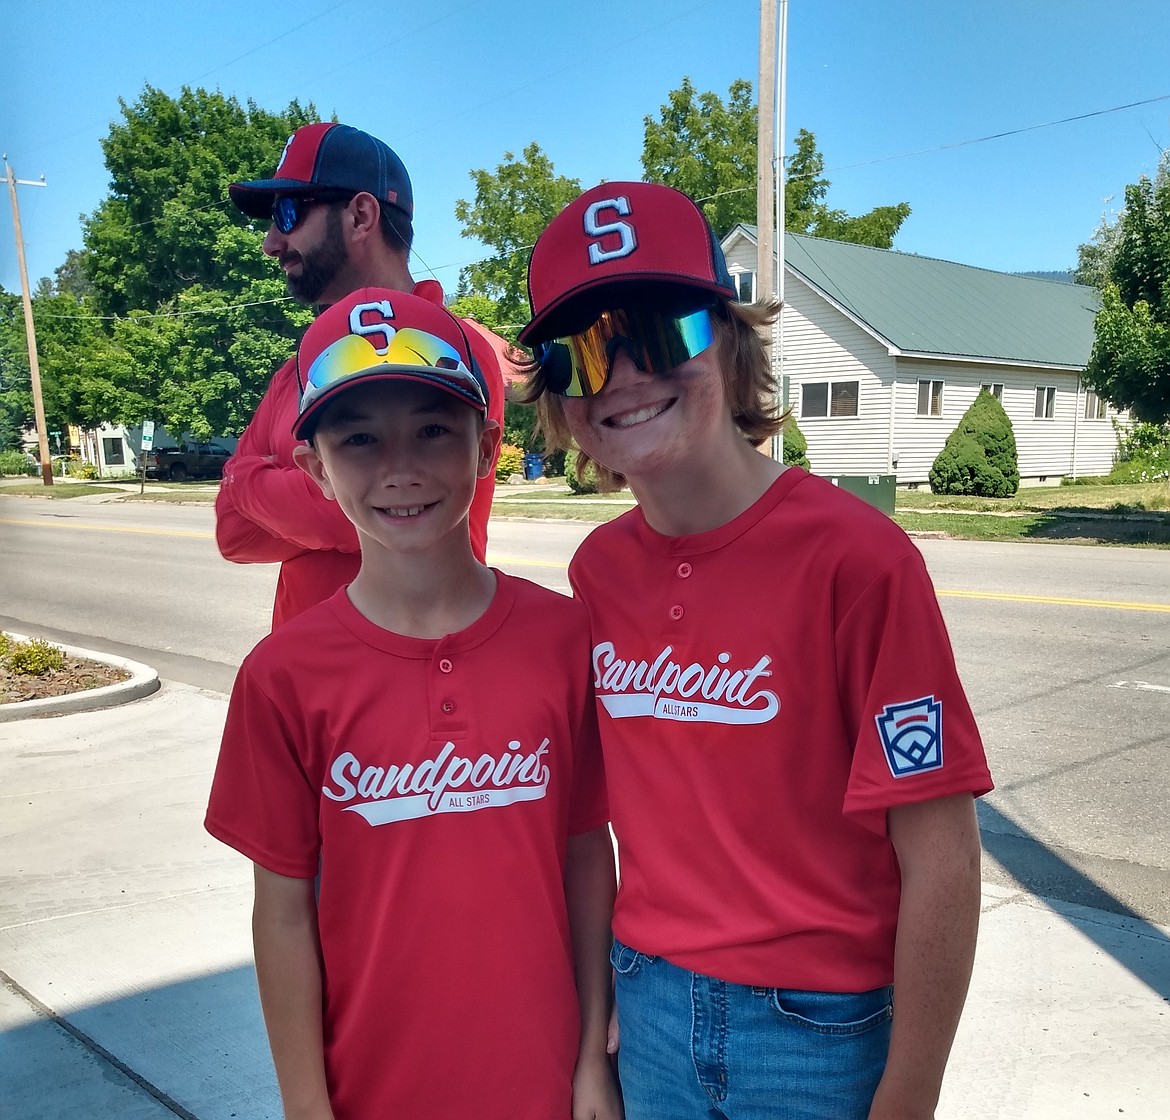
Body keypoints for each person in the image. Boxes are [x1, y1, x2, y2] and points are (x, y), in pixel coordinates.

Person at [518, 181, 994, 1120]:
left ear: (730, 343)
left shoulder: (857, 559)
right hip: (648, 1008)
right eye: (580, 354)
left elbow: (940, 854)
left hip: (818, 1028)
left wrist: (911, 1094)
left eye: (660, 335)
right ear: (558, 399)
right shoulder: (598, 572)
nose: (620, 376)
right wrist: (599, 1019)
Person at [205, 288, 621, 1120]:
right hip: (371, 1089)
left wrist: (591, 1063)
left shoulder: (563, 638)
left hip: (543, 1084)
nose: (400, 466)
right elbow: (283, 916)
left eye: (434, 428)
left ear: (487, 444)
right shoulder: (283, 675)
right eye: (359, 438)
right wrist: (305, 1105)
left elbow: (586, 859)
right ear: (316, 468)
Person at [217, 122, 505, 628]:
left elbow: (386, 514)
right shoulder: (297, 369)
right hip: (304, 683)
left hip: (431, 671)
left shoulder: (454, 350)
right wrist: (309, 505)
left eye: (288, 213)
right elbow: (233, 534)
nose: (270, 242)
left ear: (361, 215)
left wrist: (247, 477)